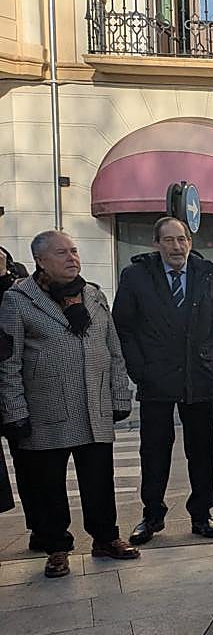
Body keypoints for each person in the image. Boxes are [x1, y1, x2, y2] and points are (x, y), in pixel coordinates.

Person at [0, 230, 140, 578]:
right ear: (41, 261)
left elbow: (113, 349)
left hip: (93, 405)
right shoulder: (19, 300)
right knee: (48, 485)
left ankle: (106, 538)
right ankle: (56, 547)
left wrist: (119, 394)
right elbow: (8, 362)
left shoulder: (93, 295)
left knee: (99, 479)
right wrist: (14, 411)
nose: (71, 258)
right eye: (61, 253)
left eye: (74, 251)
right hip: (47, 409)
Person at [113, 217, 213, 544]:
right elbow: (124, 327)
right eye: (170, 241)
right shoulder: (136, 276)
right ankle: (151, 515)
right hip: (155, 379)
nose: (178, 247)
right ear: (156, 244)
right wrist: (140, 369)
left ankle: (202, 514)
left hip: (199, 378)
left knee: (202, 451)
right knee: (154, 451)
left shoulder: (209, 276)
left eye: (183, 240)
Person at [0, 245, 28, 528]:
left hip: (13, 383)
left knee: (28, 463)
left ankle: (40, 529)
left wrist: (2, 276)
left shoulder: (16, 277)